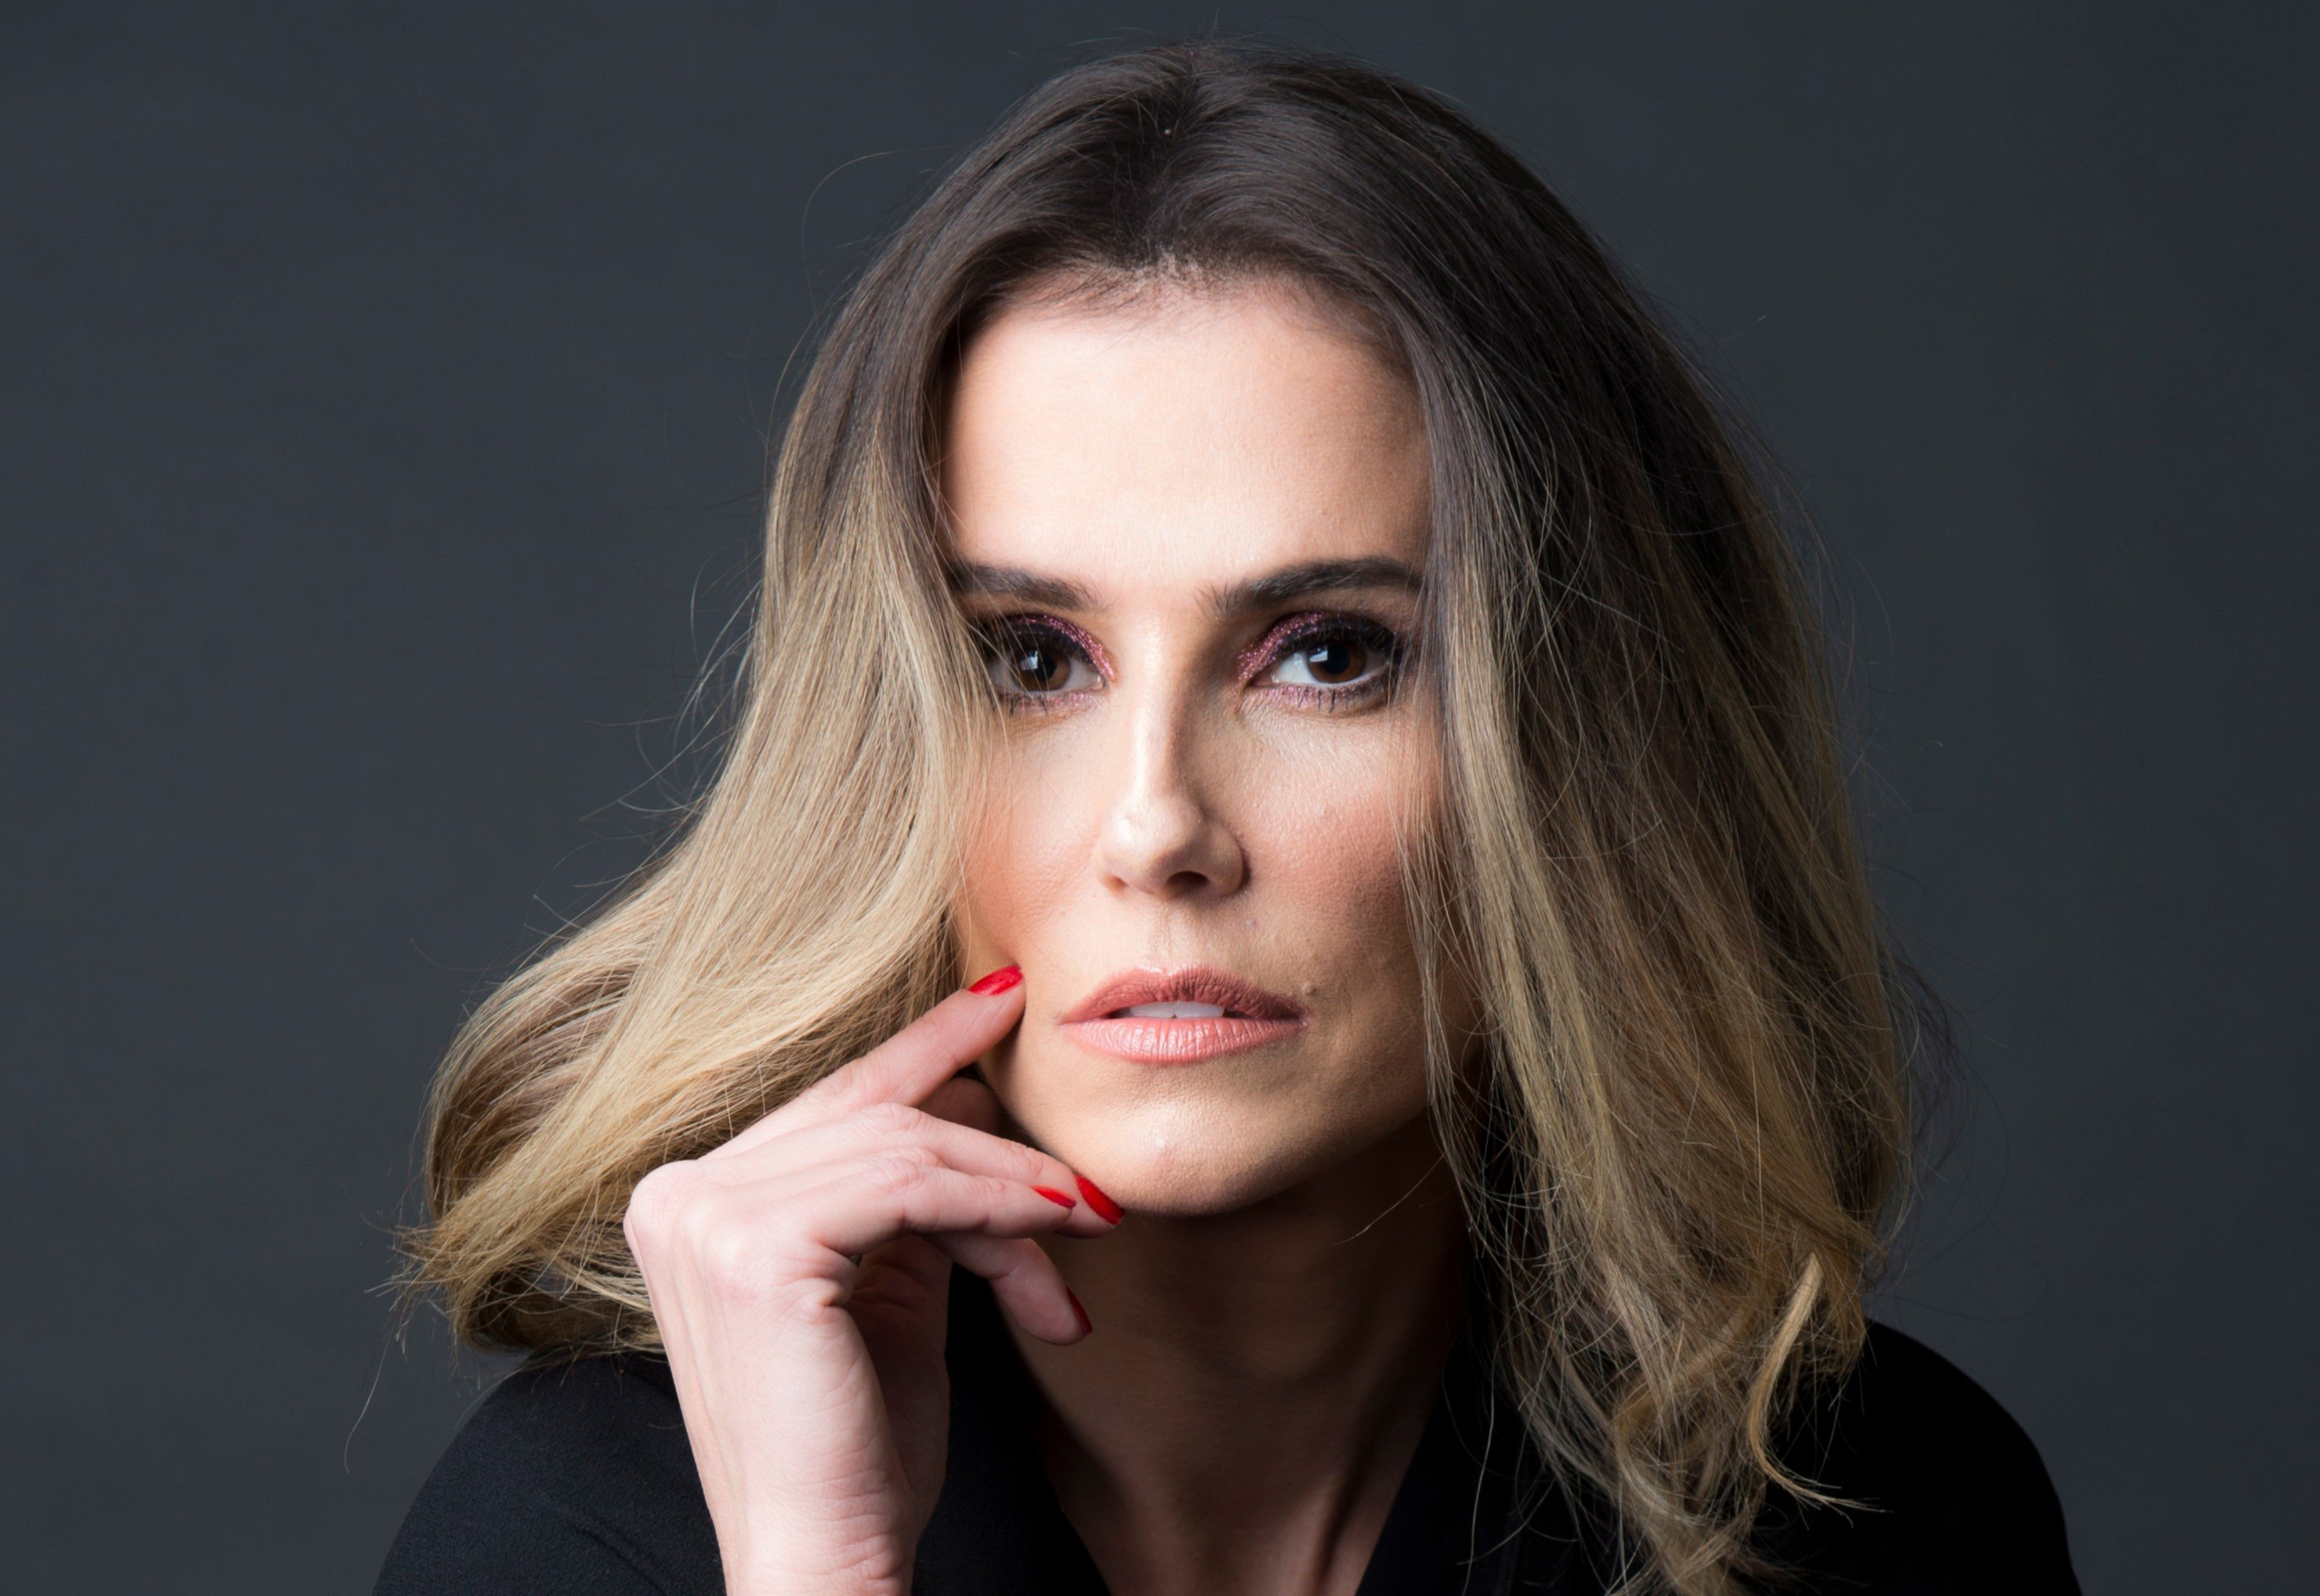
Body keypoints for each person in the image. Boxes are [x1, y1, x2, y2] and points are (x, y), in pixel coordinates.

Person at [376, 40, 2077, 1596]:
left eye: (1328, 655)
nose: (1157, 828)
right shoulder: (590, 1532)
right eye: (1031, 660)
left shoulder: (1880, 1522)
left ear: (1585, 748)